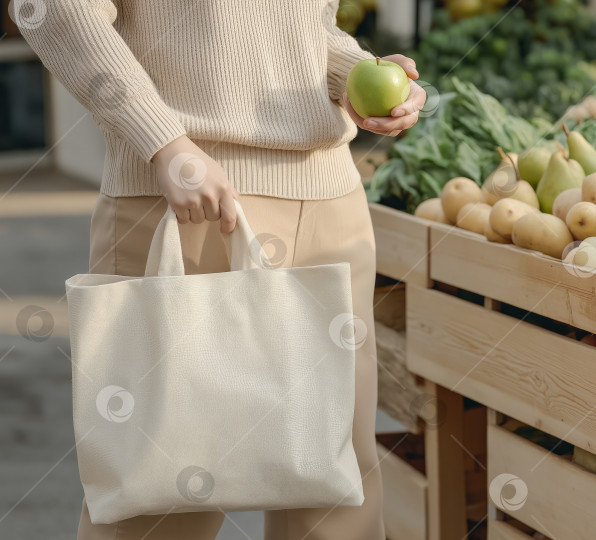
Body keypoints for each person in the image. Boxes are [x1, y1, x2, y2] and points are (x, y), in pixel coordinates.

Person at [14, 0, 426, 538]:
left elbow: (295, 29)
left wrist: (352, 74)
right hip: (188, 203)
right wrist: (164, 142)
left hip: (329, 201)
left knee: (333, 497)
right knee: (161, 499)